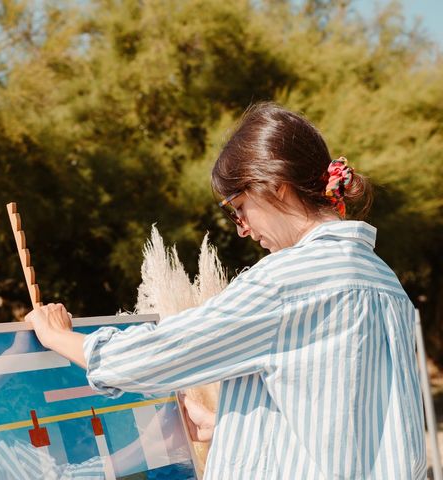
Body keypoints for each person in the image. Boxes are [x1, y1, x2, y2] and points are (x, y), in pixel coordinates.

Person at [26, 102, 426, 479]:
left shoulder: (286, 281)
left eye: (237, 206)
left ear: (276, 186)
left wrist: (60, 337)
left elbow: (160, 353)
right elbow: (346, 427)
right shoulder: (383, 280)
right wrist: (229, 427)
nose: (240, 227)